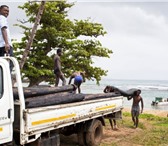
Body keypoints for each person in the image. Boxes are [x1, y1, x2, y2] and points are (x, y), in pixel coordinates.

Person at [0, 5, 13, 71]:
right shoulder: (2, 18)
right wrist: (7, 43)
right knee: (9, 65)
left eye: (8, 11)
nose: (7, 12)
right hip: (4, 46)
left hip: (1, 46)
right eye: (5, 10)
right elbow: (3, 29)